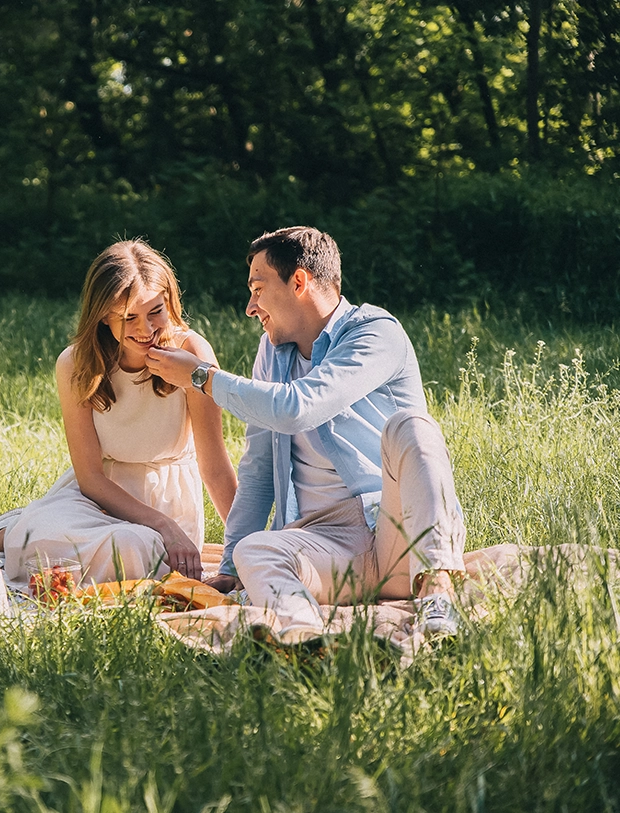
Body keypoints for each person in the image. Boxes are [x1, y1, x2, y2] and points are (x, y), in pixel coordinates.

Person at [146, 226, 466, 640]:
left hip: (396, 530)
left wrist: (203, 378)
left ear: (298, 281)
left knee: (413, 427)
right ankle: (308, 637)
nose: (250, 307)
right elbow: (259, 468)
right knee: (252, 551)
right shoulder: (271, 352)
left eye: (258, 289)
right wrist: (228, 568)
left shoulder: (375, 333)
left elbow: (300, 407)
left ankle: (436, 594)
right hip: (327, 546)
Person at [0, 239, 238, 586]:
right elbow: (90, 478)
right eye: (129, 317)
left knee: (137, 549)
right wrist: (164, 527)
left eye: (155, 312)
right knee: (65, 538)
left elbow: (215, 467)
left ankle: (20, 528)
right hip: (96, 498)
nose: (146, 330)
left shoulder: (192, 352)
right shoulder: (76, 364)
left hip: (167, 504)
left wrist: (242, 549)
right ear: (104, 316)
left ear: (170, 302)